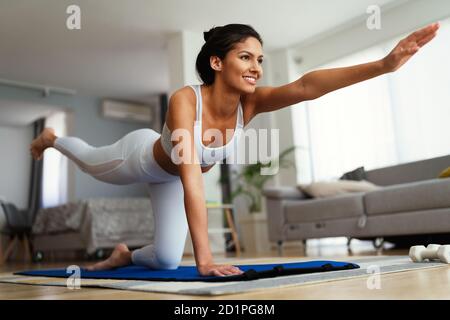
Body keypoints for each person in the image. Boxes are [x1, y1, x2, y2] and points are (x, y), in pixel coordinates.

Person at [30, 22, 439, 277]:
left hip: (169, 178)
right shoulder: (185, 100)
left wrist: (382, 66)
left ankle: (123, 255)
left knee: (168, 260)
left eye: (259, 59)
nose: (256, 67)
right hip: (138, 159)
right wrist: (205, 261)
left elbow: (305, 87)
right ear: (217, 62)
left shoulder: (251, 103)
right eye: (245, 56)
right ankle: (53, 140)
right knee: (87, 160)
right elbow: (192, 179)